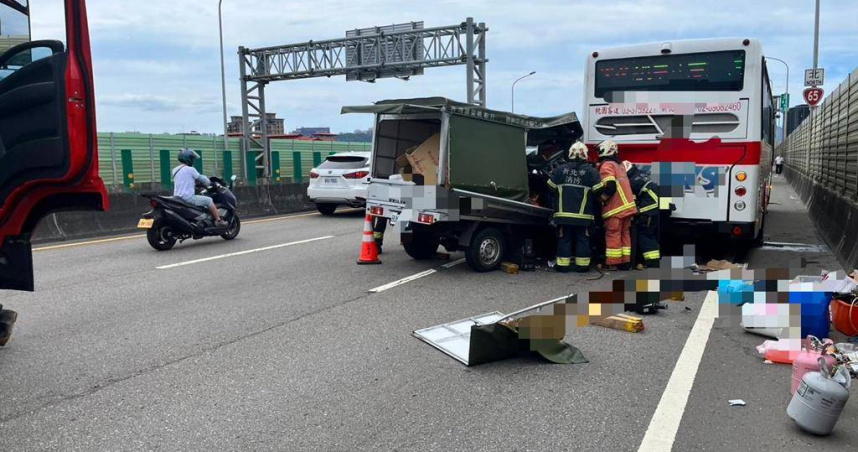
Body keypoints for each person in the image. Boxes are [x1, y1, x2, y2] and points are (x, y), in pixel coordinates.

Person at [547, 142, 602, 272]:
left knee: (564, 238)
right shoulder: (591, 172)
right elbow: (598, 191)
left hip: (563, 215)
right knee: (582, 239)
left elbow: (550, 187)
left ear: (570, 154)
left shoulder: (560, 169)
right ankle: (582, 266)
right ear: (586, 155)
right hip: (583, 216)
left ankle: (562, 266)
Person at [596, 140, 637, 271]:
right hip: (628, 206)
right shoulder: (619, 165)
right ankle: (625, 262)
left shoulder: (606, 165)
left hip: (616, 207)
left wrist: (602, 198)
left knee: (613, 234)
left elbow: (610, 186)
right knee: (625, 234)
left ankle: (613, 263)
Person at [172, 149, 227, 227]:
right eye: (192, 158)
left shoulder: (175, 170)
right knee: (209, 200)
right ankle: (218, 220)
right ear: (188, 159)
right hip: (188, 198)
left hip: (177, 198)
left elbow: (184, 181)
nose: (193, 161)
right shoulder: (190, 169)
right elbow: (202, 179)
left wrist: (195, 183)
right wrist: (213, 184)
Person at [623, 161, 661, 269]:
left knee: (645, 235)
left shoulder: (632, 181)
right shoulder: (640, 174)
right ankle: (651, 261)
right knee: (651, 234)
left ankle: (652, 262)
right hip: (654, 209)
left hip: (649, 209)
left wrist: (638, 211)